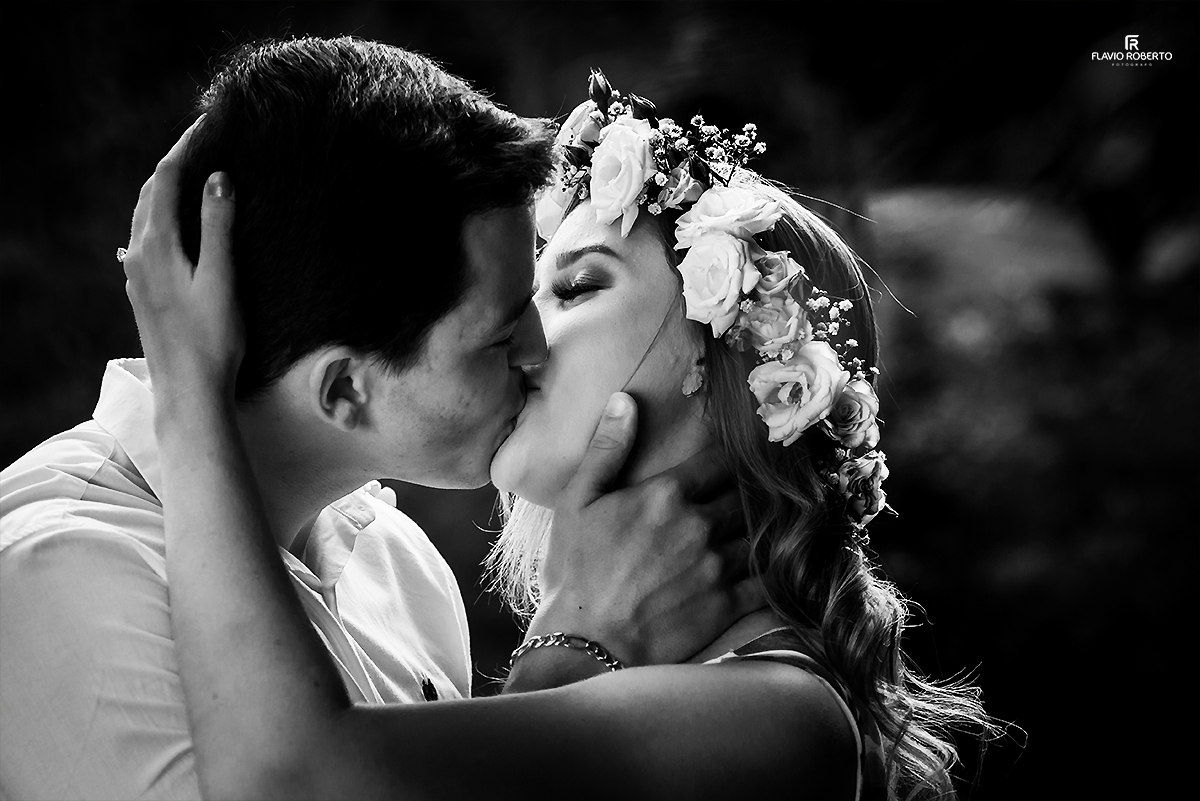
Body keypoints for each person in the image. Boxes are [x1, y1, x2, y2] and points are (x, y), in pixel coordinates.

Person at [127, 67, 997, 799]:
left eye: (576, 288)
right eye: (524, 296)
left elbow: (289, 783)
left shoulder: (779, 711)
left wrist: (190, 387)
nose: (524, 341)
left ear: (721, 361)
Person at [0, 39, 757, 801]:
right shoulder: (58, 579)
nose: (539, 352)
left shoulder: (399, 562)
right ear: (344, 391)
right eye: (500, 336)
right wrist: (572, 655)